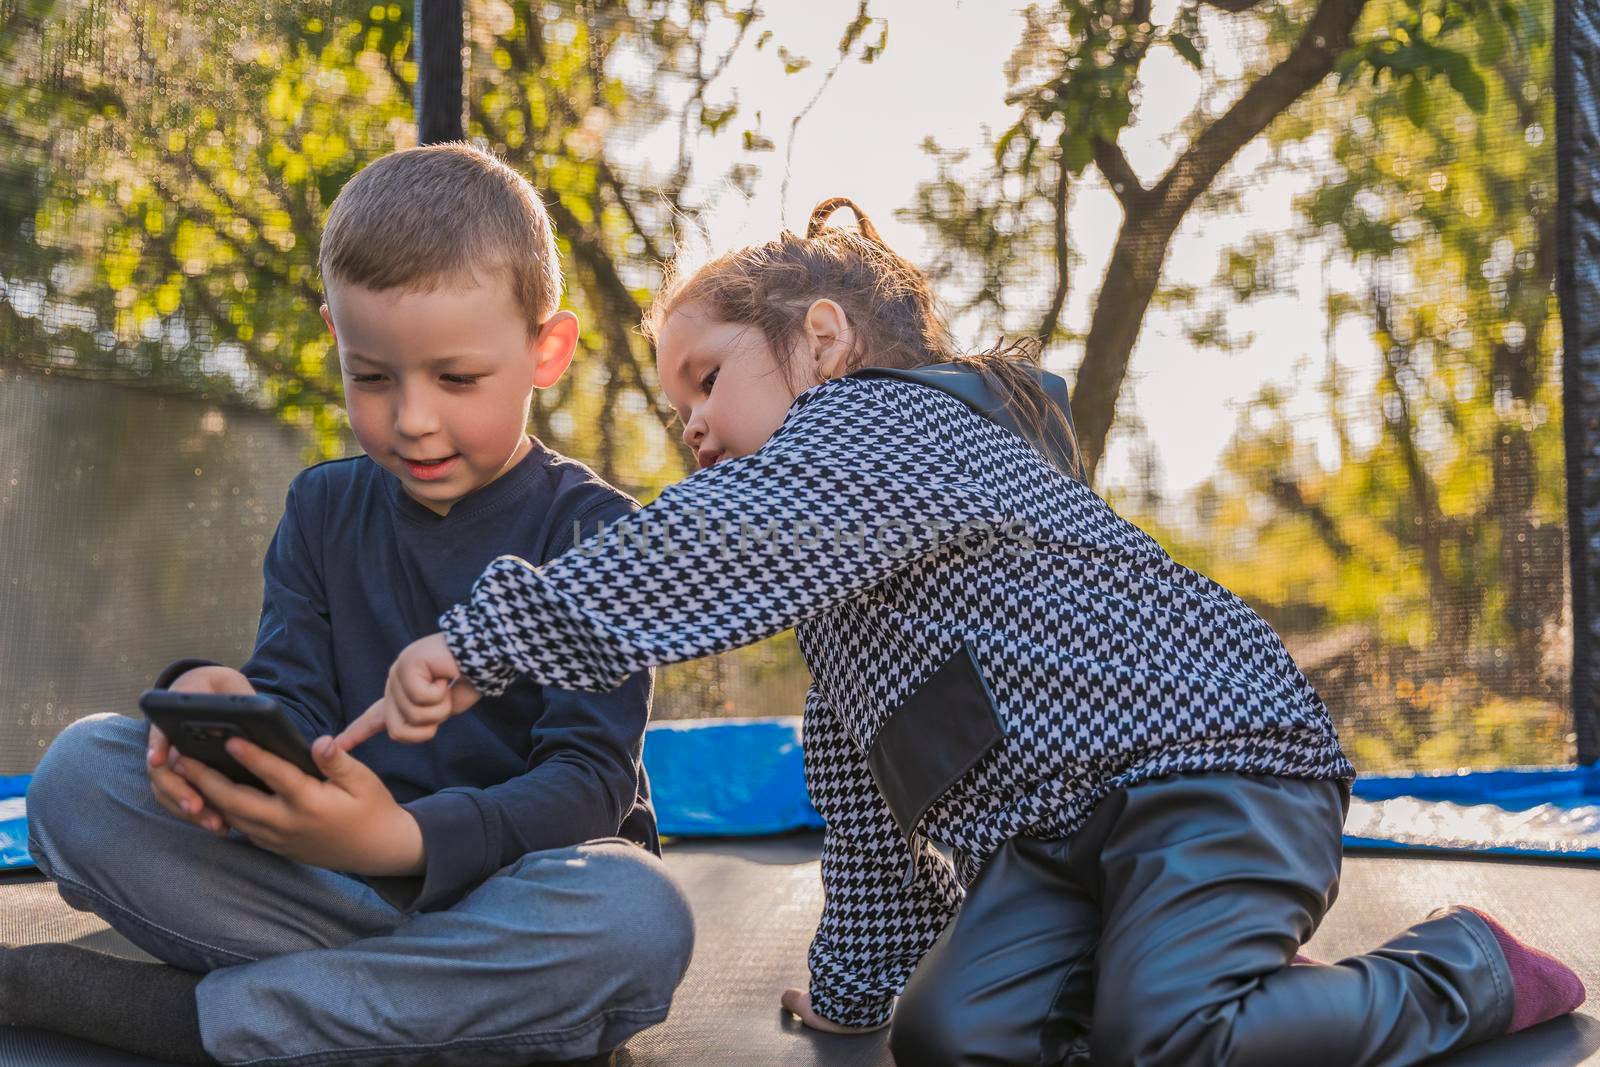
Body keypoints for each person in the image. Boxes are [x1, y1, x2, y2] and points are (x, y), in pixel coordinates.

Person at [347, 196, 1585, 1066]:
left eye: (706, 379)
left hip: (1212, 765)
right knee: (953, 1036)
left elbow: (706, 539)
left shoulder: (884, 426)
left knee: (1168, 1041)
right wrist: (850, 996)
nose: (694, 427)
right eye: (677, 410)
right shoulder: (847, 603)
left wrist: (489, 633)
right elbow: (869, 806)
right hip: (1051, 839)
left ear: (820, 339)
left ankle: (1461, 966)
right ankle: (1207, 981)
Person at [19, 143, 694, 1067]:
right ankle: (426, 1005)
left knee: (638, 916)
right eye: (373, 378)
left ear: (547, 350)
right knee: (74, 780)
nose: (412, 418)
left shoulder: (599, 534)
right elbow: (293, 701)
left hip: (517, 895)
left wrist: (405, 837)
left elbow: (589, 783)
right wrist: (220, 711)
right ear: (337, 335)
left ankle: (200, 1019)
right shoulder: (322, 507)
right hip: (330, 889)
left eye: (456, 379)